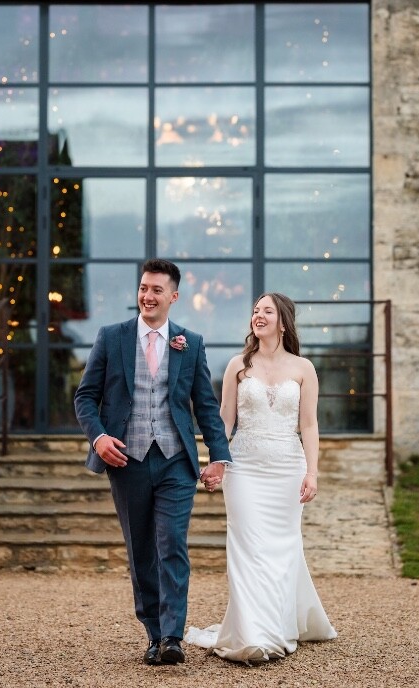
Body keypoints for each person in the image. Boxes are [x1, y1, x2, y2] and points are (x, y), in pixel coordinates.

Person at [74, 258, 232, 666]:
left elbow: (206, 406)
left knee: (172, 545)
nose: (147, 295)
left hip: (176, 462)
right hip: (128, 461)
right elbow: (85, 397)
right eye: (144, 288)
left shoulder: (190, 342)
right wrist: (99, 436)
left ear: (173, 297)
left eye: (157, 290)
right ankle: (153, 633)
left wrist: (219, 458)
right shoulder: (112, 338)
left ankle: (173, 636)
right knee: (141, 550)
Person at [185, 292, 337, 663]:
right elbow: (223, 420)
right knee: (248, 547)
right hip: (245, 467)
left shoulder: (304, 369)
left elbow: (310, 424)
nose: (258, 315)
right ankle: (252, 634)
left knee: (282, 549)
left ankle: (278, 627)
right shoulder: (239, 365)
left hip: (288, 467)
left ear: (283, 322)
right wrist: (215, 461)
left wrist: (312, 473)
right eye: (255, 310)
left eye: (267, 311)